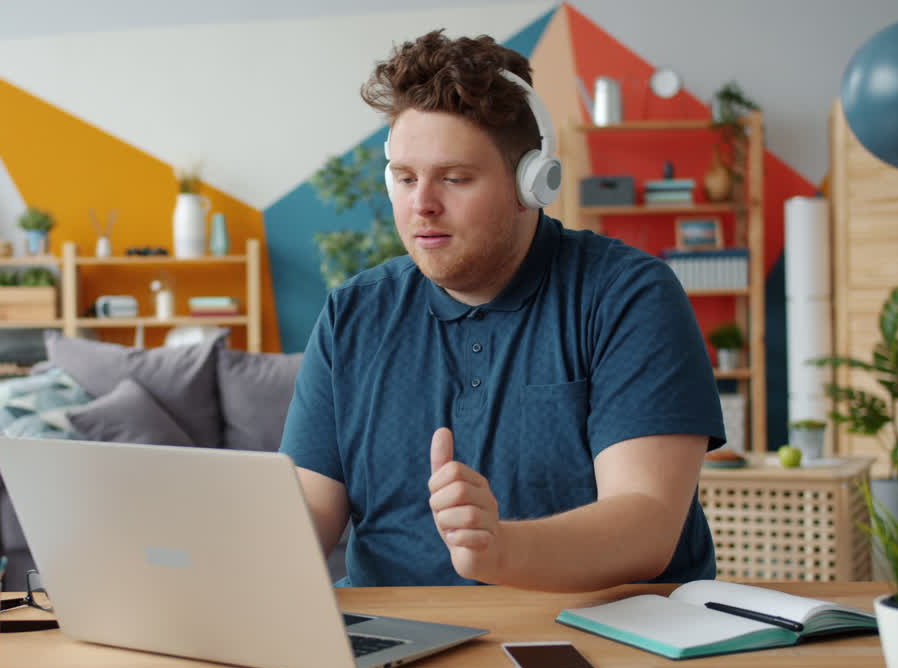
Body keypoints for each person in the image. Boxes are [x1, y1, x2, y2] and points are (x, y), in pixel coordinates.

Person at [280, 30, 726, 591]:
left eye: (454, 178)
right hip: (390, 631)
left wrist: (501, 550)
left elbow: (647, 524)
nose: (422, 205)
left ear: (530, 184)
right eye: (406, 178)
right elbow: (311, 510)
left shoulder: (627, 295)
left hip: (583, 628)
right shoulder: (353, 313)